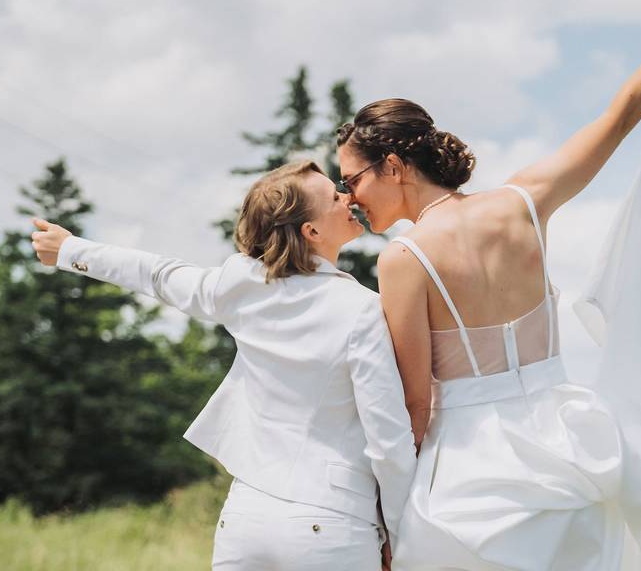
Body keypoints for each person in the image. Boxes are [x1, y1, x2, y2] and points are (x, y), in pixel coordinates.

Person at [336, 0, 641, 570]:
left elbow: (415, 404)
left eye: (352, 178)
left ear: (394, 166)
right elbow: (618, 118)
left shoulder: (404, 258)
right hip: (572, 451)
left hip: (474, 476)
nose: (350, 197)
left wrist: (390, 521)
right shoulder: (524, 202)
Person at [30, 160, 416, 570]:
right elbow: (388, 436)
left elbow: (159, 275)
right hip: (332, 522)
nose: (348, 196)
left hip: (245, 517)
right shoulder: (363, 310)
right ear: (312, 231)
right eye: (335, 196)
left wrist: (70, 250)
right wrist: (400, 532)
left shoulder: (242, 284)